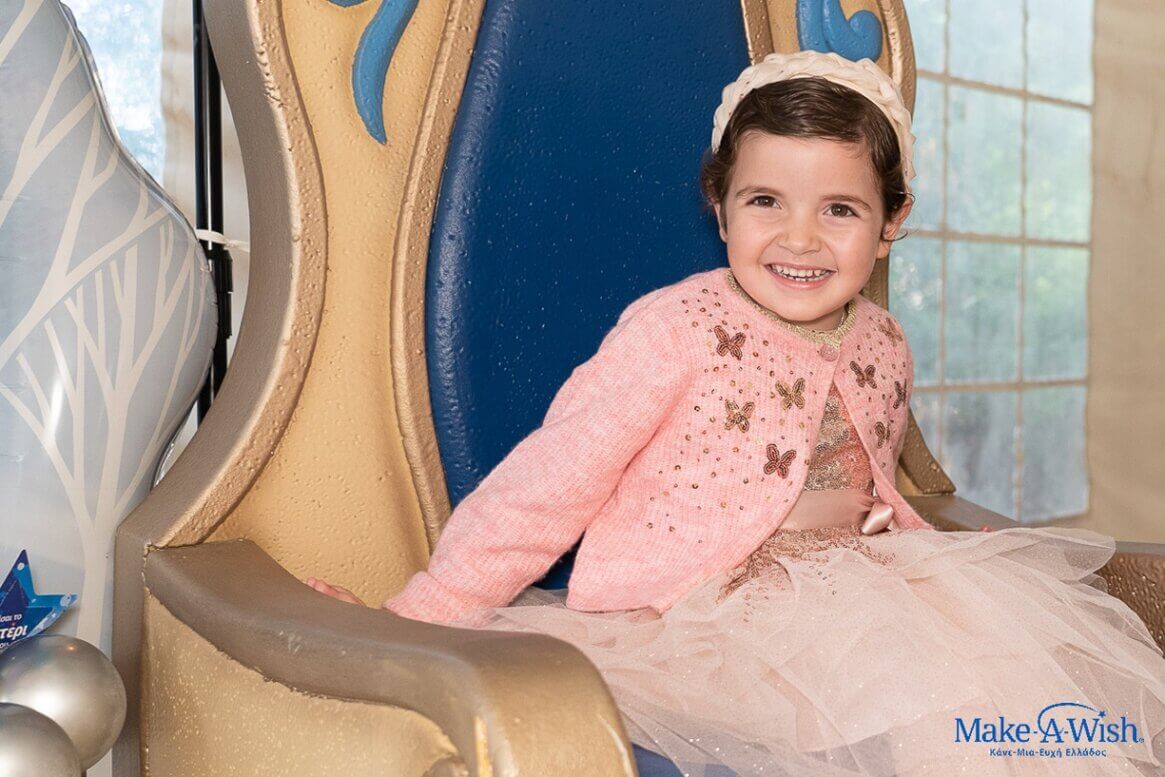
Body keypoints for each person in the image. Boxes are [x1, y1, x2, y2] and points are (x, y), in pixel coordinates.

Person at [308, 51, 1165, 776]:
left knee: (999, 702)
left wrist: (909, 535)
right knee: (901, 708)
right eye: (765, 201)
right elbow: (546, 485)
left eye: (839, 209)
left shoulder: (883, 340)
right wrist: (419, 616)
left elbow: (864, 476)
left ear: (890, 221)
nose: (800, 239)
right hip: (703, 615)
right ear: (718, 203)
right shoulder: (676, 330)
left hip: (859, 591)